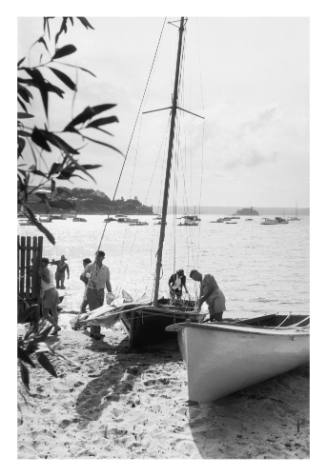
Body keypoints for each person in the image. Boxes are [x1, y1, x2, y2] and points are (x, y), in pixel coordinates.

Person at [81, 250, 112, 340]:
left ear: (103, 258)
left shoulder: (106, 269)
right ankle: (94, 333)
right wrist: (89, 281)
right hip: (91, 291)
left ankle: (96, 332)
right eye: (96, 256)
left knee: (100, 312)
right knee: (94, 311)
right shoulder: (90, 266)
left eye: (99, 256)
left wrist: (110, 292)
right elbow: (83, 276)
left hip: (101, 291)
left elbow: (107, 282)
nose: (97, 258)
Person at [39, 258, 61, 334]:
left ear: (45, 263)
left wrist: (41, 275)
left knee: (45, 313)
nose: (41, 264)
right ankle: (56, 328)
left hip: (49, 292)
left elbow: (47, 281)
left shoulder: (45, 270)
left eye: (42, 262)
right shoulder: (48, 269)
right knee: (54, 311)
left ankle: (56, 326)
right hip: (53, 290)